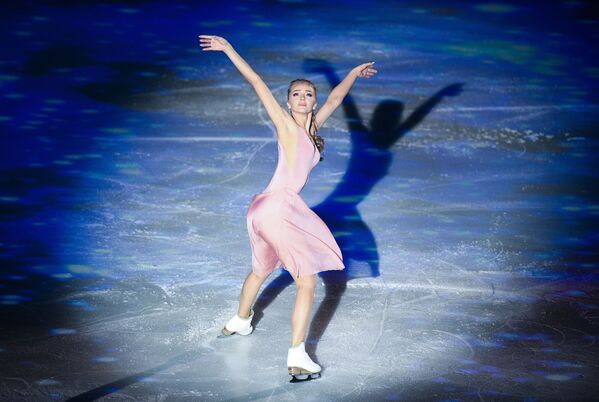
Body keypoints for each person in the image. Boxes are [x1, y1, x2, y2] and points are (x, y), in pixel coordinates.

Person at [198, 34, 377, 381]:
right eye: (296, 94)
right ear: (289, 101)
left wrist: (353, 73)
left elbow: (337, 96)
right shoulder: (285, 123)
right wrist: (229, 49)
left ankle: (239, 320)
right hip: (279, 208)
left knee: (261, 270)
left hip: (262, 210)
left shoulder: (312, 128)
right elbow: (255, 81)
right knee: (307, 282)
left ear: (313, 102)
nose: (303, 98)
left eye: (309, 94)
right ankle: (297, 355)